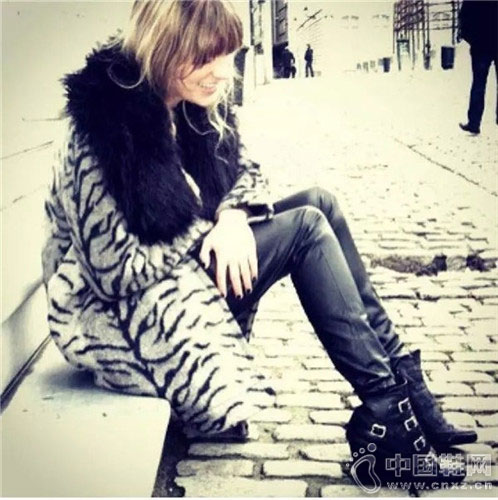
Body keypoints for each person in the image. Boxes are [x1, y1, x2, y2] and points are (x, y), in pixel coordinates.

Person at [42, 0, 475, 487]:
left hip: (180, 283)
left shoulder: (190, 104)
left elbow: (245, 172)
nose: (222, 72)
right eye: (205, 58)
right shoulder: (104, 127)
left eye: (227, 55)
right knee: (306, 229)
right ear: (164, 47)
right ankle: (387, 418)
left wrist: (232, 217)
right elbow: (112, 270)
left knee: (320, 202)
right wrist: (204, 230)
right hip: (130, 319)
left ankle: (405, 390)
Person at [458, 0, 498, 135]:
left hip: (480, 46)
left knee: (478, 85)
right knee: (479, 85)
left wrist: (472, 39)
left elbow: (464, 17)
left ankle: (474, 123)